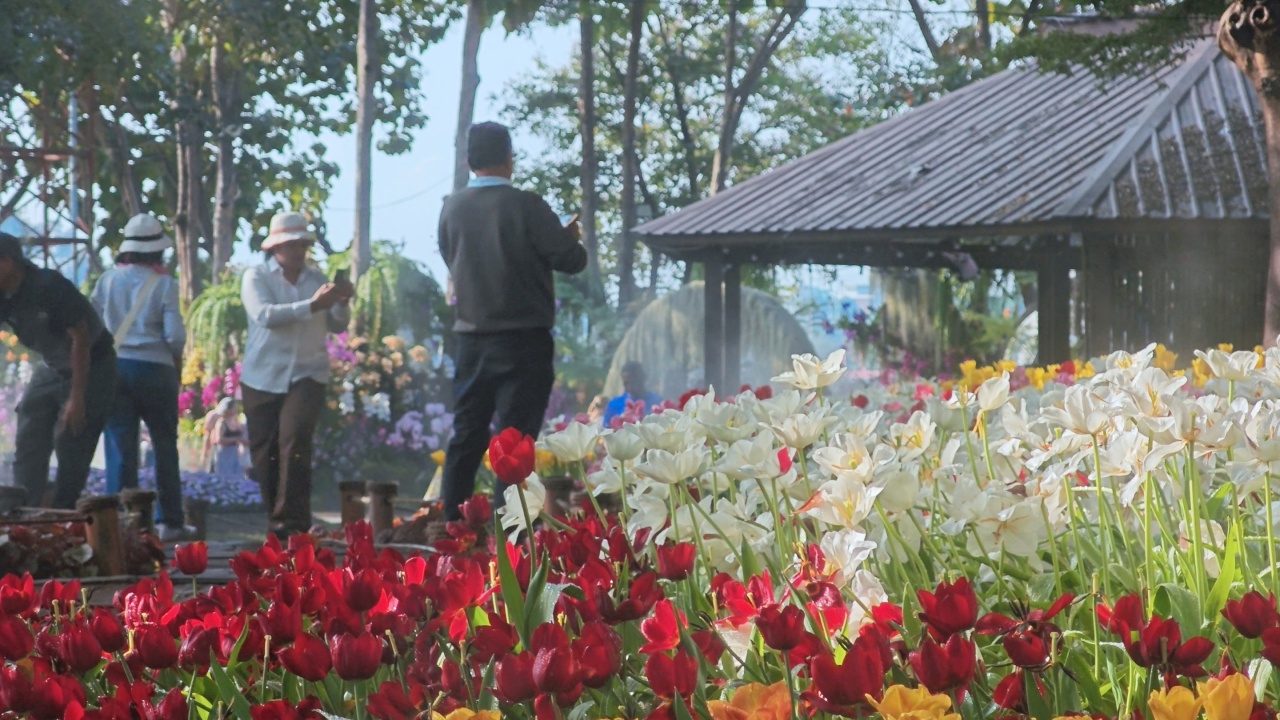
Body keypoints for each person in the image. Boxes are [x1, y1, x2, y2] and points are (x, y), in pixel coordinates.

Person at [437, 121, 587, 522]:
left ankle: (453, 524)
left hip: (470, 340)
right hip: (524, 341)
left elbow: (451, 258)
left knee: (467, 433)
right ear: (509, 158)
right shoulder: (527, 205)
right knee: (516, 439)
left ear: (469, 161)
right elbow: (571, 260)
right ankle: (510, 529)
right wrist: (569, 237)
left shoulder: (451, 208)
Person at [240, 211, 352, 538]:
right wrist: (312, 305)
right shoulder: (256, 277)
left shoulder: (317, 280)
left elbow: (337, 324)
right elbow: (265, 315)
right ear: (275, 247)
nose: (298, 250)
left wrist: (341, 301)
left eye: (302, 244)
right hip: (262, 375)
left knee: (296, 439)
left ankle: (293, 523)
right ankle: (277, 519)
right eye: (291, 244)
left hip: (308, 373)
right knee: (266, 454)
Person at [91, 213, 192, 540]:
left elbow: (92, 324)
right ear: (158, 250)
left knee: (120, 447)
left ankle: (120, 523)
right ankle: (170, 522)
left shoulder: (107, 280)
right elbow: (174, 336)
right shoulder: (164, 284)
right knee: (164, 446)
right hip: (155, 371)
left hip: (115, 368)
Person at [0, 232, 116, 508]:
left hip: (92, 363)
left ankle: (64, 512)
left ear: (8, 262)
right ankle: (23, 508)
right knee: (30, 423)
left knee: (72, 437)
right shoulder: (3, 295)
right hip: (52, 365)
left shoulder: (49, 286)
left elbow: (81, 339)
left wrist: (77, 397)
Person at [602, 361, 663, 426]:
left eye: (632, 382)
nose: (628, 387)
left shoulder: (657, 401)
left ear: (642, 379)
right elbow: (605, 428)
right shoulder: (614, 404)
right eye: (625, 384)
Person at [201, 397, 248, 481]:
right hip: (224, 452)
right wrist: (235, 439)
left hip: (235, 452)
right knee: (224, 475)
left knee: (237, 475)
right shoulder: (221, 423)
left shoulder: (235, 421)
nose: (235, 409)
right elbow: (220, 440)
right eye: (233, 407)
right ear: (227, 409)